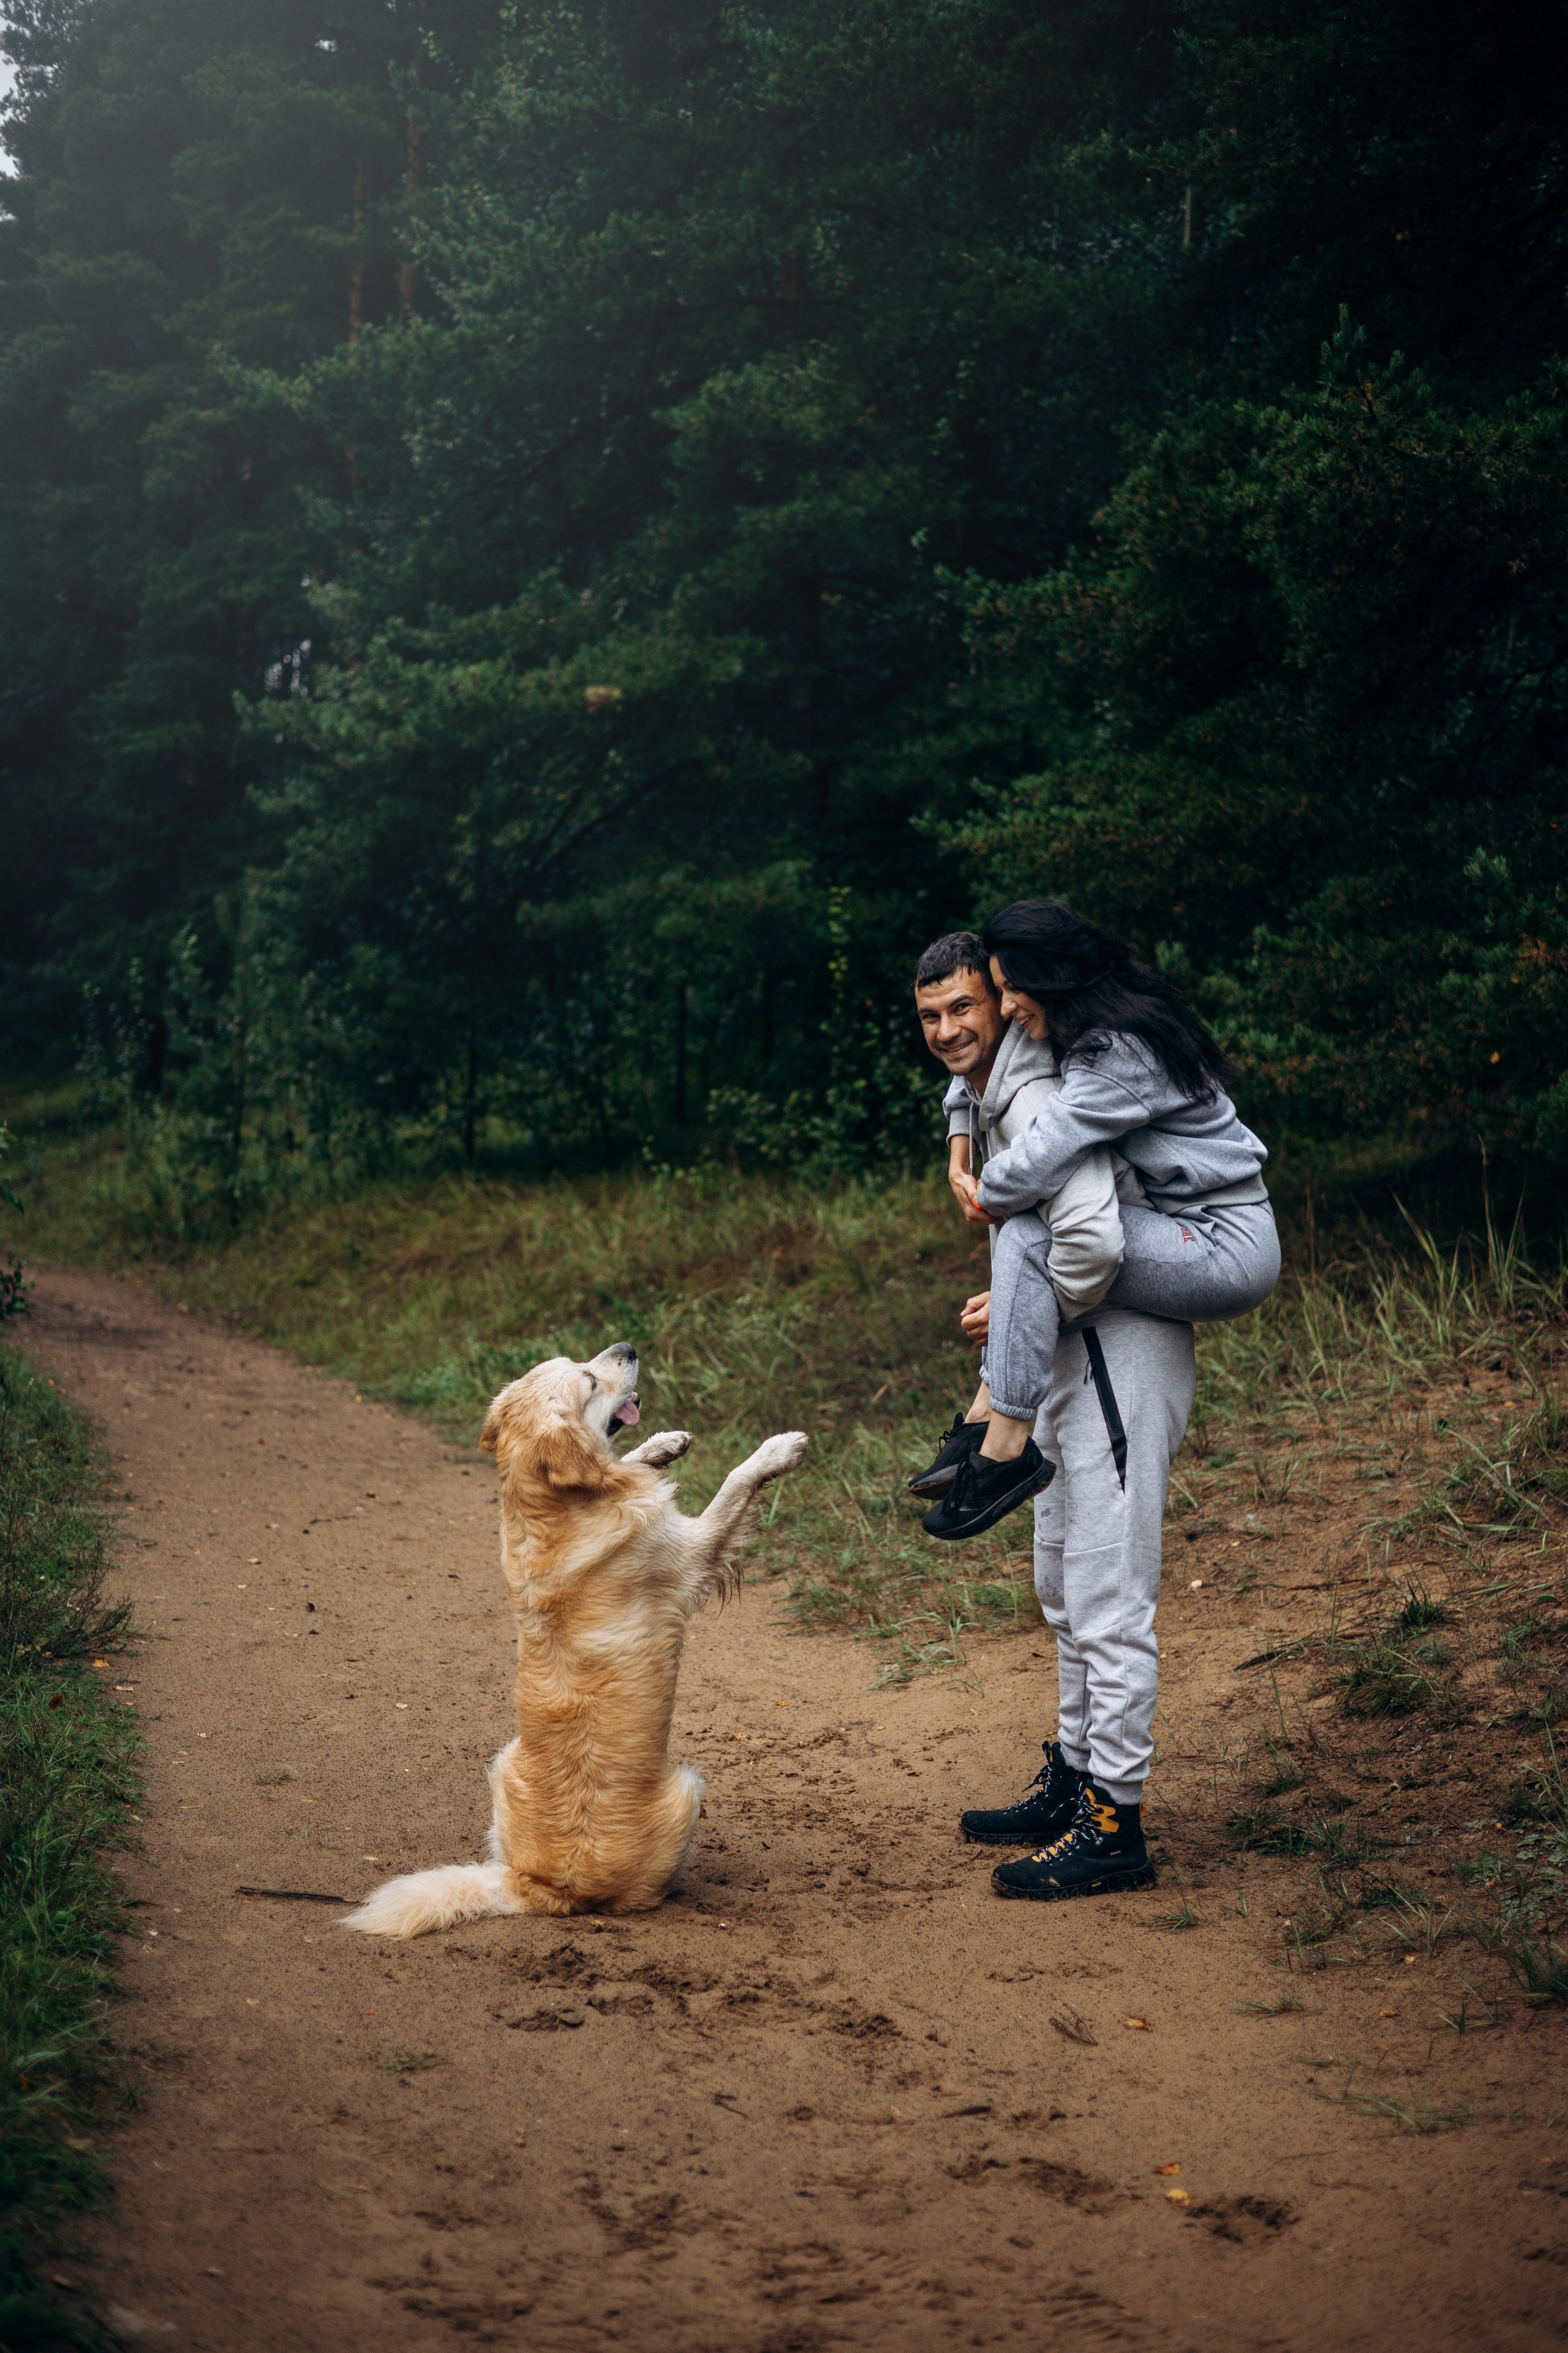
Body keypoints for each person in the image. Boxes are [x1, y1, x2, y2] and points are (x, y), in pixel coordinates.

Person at [916, 899, 1280, 1543]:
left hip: (1225, 1243)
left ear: (1048, 979)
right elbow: (971, 1078)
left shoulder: (1114, 1058)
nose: (1002, 1009)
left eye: (1006, 991)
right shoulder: (1089, 1027)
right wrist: (957, 1150)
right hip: (1190, 1224)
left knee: (1030, 1234)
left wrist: (983, 1194)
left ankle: (1000, 1452)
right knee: (1030, 1252)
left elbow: (1036, 1159)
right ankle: (983, 1421)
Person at [908, 931, 1144, 1500]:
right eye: (929, 1016)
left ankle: (988, 1424)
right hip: (1072, 1329)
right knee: (1059, 1545)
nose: (945, 1031)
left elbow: (1093, 1241)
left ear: (1005, 1005)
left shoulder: (1037, 1101)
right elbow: (960, 1085)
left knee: (1103, 1543)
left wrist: (1017, 1311)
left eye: (963, 1007)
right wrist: (956, 1150)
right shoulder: (992, 1080)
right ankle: (983, 1417)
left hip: (1115, 1327)